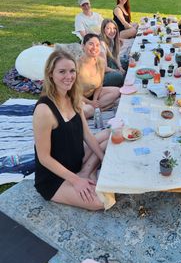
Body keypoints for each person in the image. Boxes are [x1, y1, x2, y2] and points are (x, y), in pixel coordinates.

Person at [33, 50, 109, 210]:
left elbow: (87, 135)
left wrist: (104, 160)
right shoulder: (44, 110)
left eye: (72, 71)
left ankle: (86, 172)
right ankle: (87, 174)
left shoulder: (73, 97)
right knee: (100, 201)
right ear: (50, 74)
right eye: (62, 71)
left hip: (75, 159)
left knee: (109, 136)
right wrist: (76, 181)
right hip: (54, 177)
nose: (69, 76)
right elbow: (44, 158)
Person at [78, 33, 120, 118]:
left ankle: (97, 109)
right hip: (79, 98)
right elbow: (72, 93)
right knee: (84, 110)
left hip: (93, 94)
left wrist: (94, 100)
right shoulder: (76, 65)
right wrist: (90, 102)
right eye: (91, 44)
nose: (94, 48)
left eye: (97, 45)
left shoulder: (101, 62)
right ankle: (99, 108)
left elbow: (99, 85)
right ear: (83, 46)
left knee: (117, 91)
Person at [100, 19, 125, 87]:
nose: (112, 31)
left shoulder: (111, 39)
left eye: (114, 28)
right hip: (101, 75)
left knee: (126, 62)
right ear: (103, 29)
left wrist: (120, 68)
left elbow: (116, 56)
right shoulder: (101, 44)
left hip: (110, 64)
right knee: (119, 76)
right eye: (108, 28)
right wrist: (116, 71)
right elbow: (104, 68)